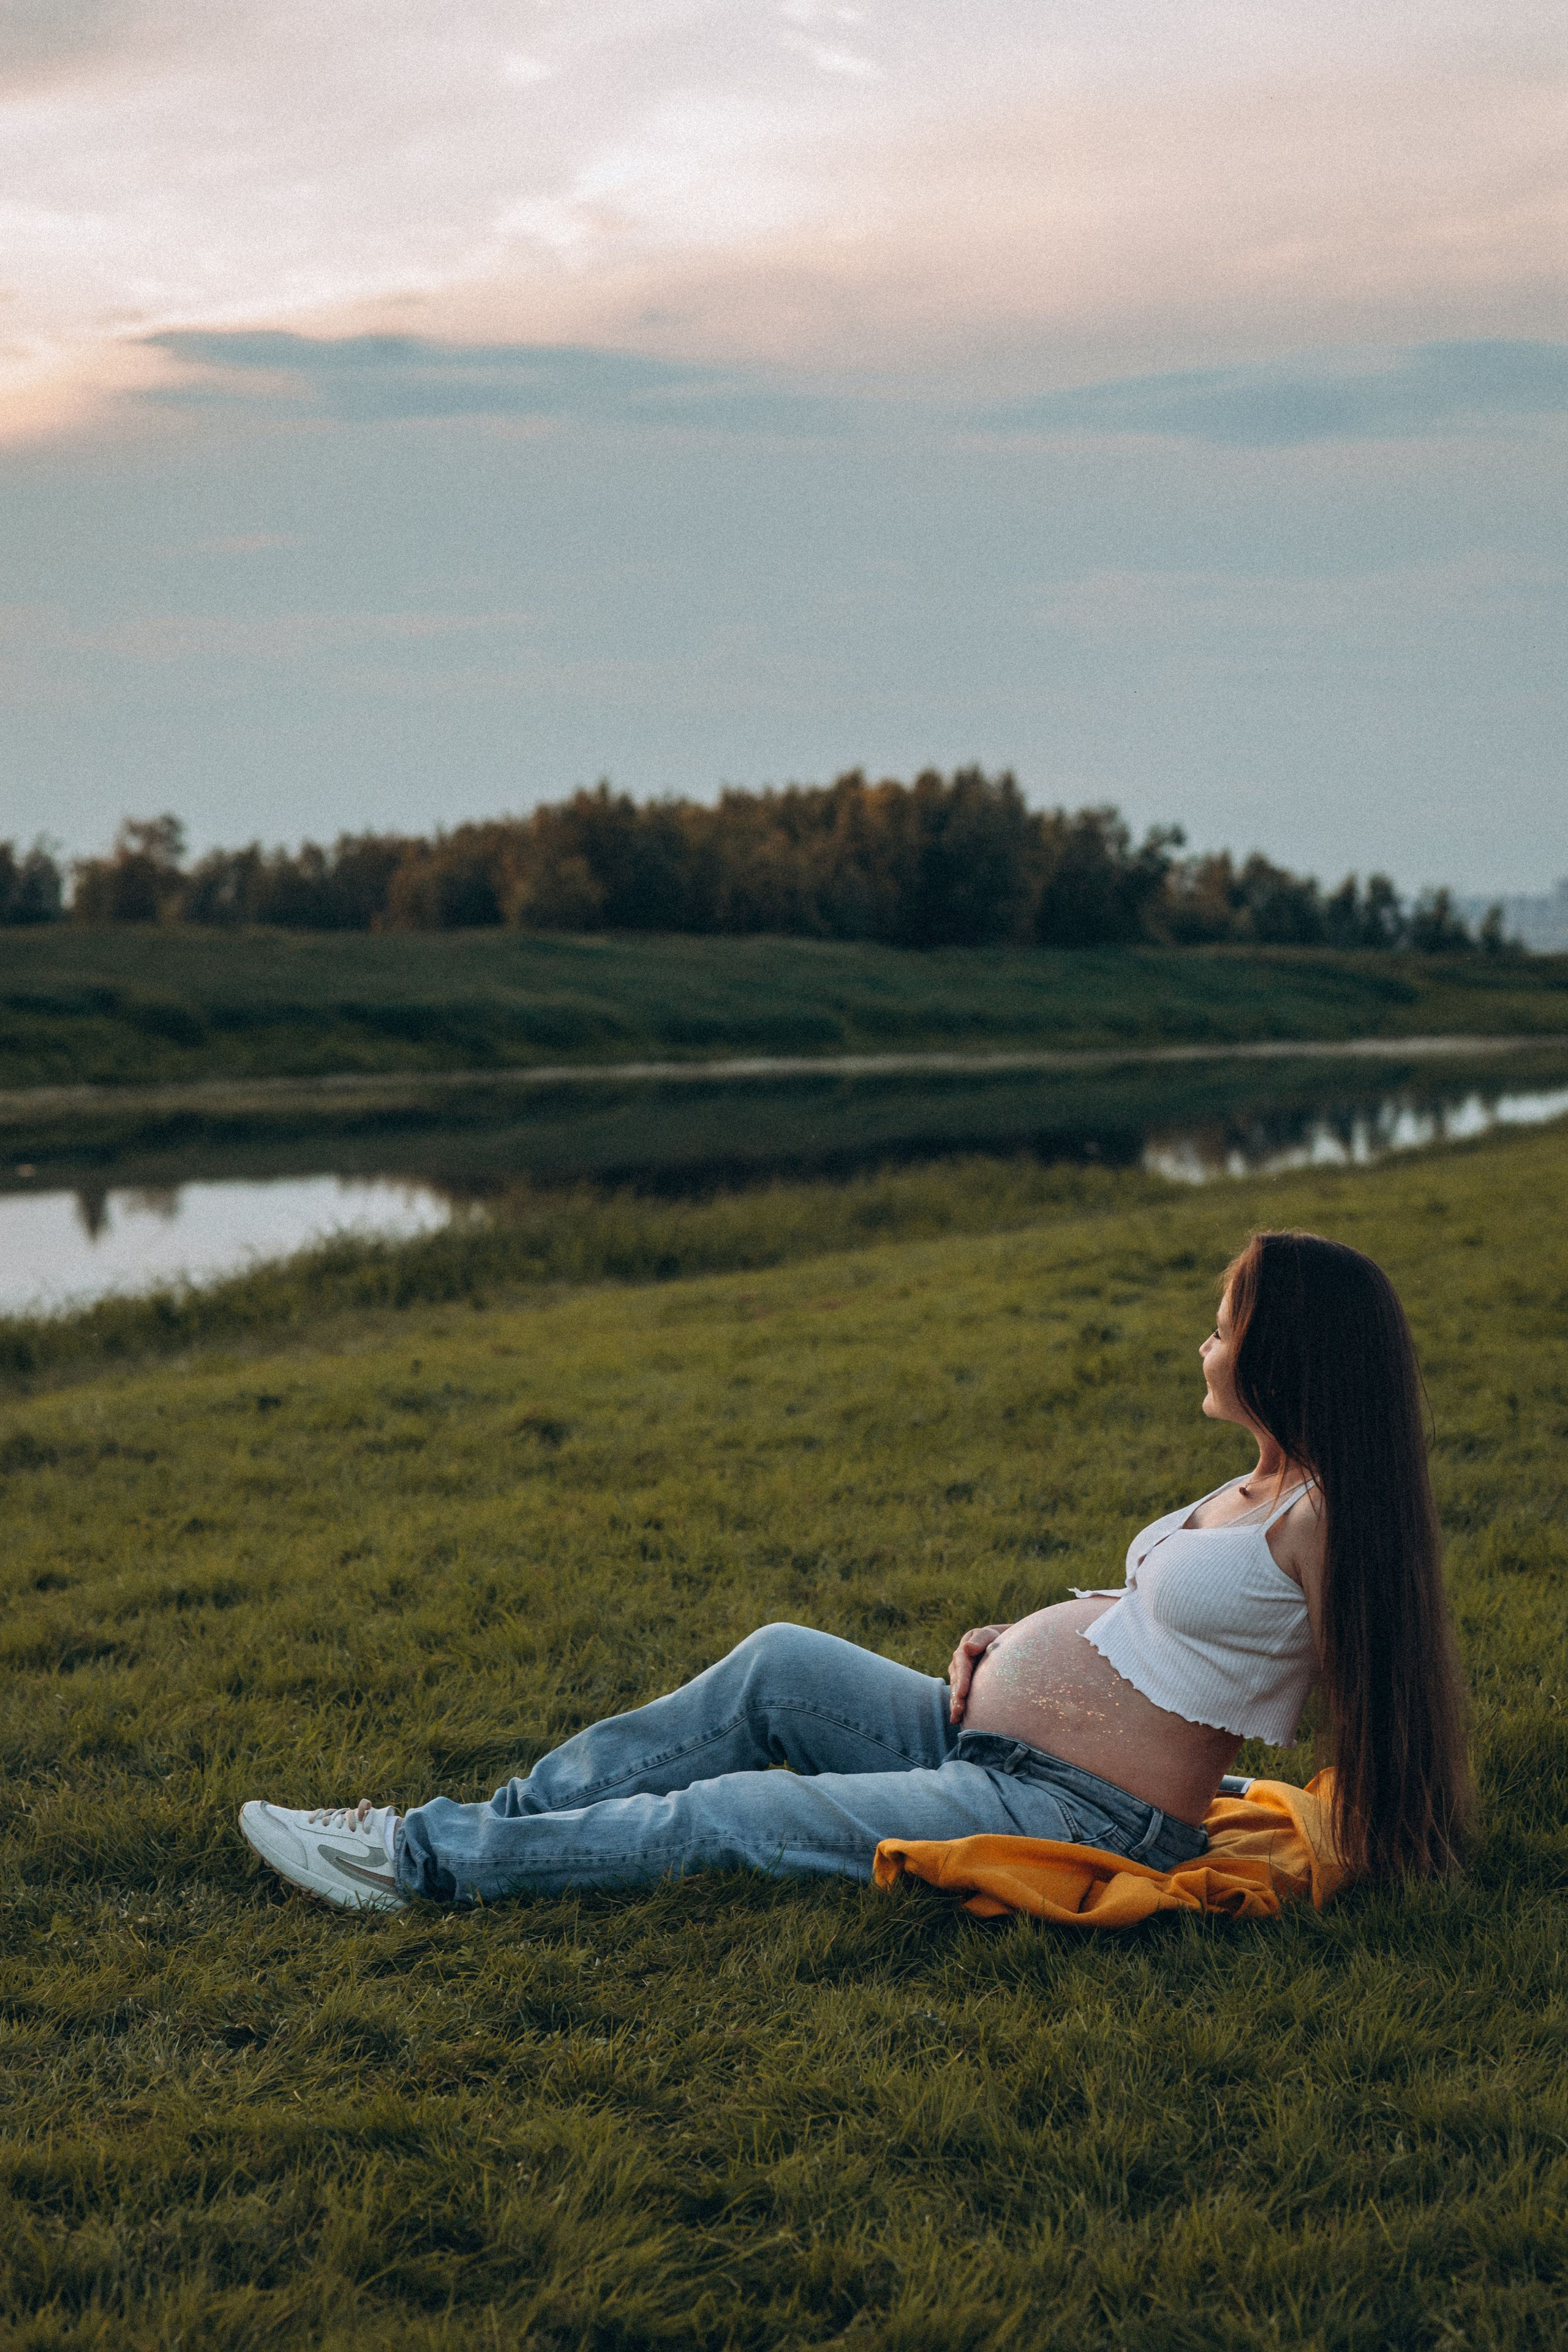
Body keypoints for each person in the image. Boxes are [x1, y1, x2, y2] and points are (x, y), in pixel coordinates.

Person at [239, 1229, 1472, 1913]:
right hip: (982, 1742)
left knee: (724, 1821)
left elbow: (1373, 1677)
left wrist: (1394, 1827)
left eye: (1225, 1320)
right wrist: (1027, 1635)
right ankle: (510, 1821)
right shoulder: (1253, 1482)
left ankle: (415, 1862)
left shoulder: (1320, 1513)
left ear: (1287, 1350)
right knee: (774, 1662)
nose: (1205, 1339)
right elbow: (1174, 1620)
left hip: (1076, 1812)